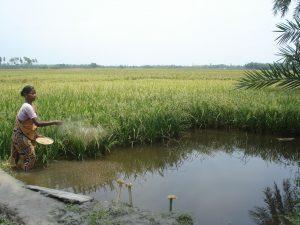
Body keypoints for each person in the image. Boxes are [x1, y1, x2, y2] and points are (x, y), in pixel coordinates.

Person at [10, 85, 63, 172]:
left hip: (21, 134)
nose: (35, 95)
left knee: (18, 158)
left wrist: (36, 134)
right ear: (26, 94)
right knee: (31, 158)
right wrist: (54, 122)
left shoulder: (30, 106)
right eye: (32, 93)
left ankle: (17, 176)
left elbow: (30, 124)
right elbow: (37, 123)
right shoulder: (27, 107)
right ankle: (25, 177)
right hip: (20, 136)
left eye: (35, 93)